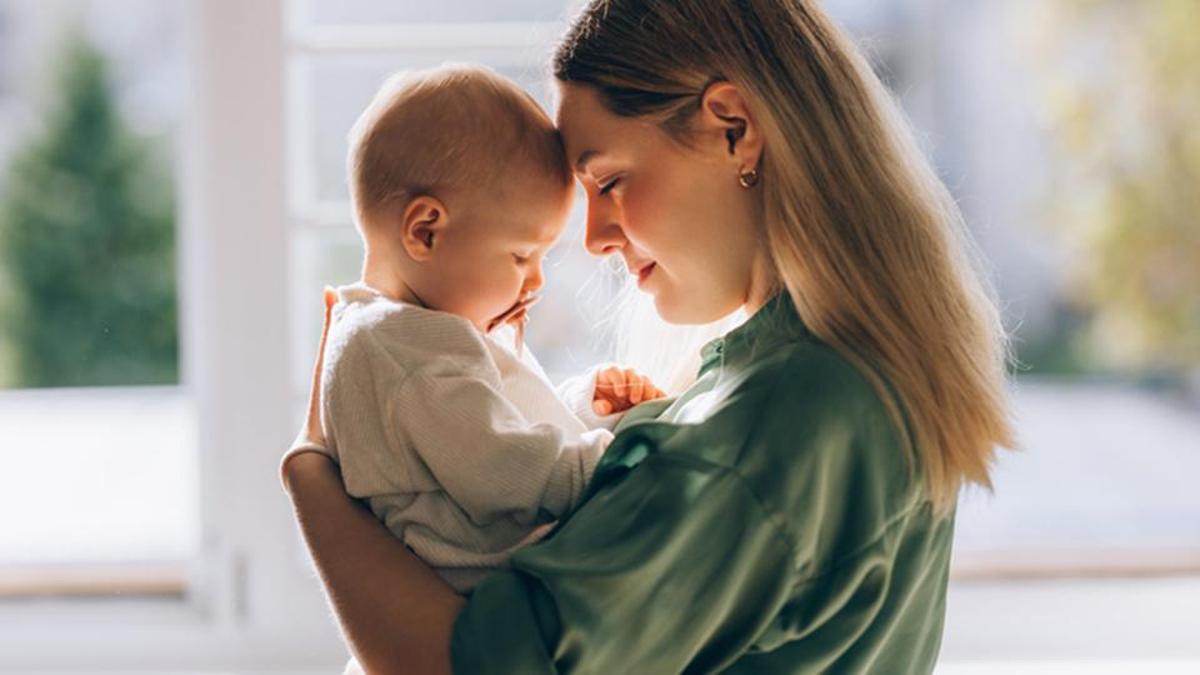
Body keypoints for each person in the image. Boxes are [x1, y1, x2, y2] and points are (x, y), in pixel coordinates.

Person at [281, 1, 1015, 673]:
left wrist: (312, 475)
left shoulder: (765, 429)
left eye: (609, 182)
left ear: (733, 129)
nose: (595, 238)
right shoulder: (849, 375)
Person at [287, 64, 665, 600]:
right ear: (425, 231)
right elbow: (503, 471)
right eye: (521, 255)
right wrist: (614, 459)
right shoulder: (405, 352)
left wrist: (585, 407)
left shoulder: (400, 333)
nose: (536, 280)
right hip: (499, 597)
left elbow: (484, 433)